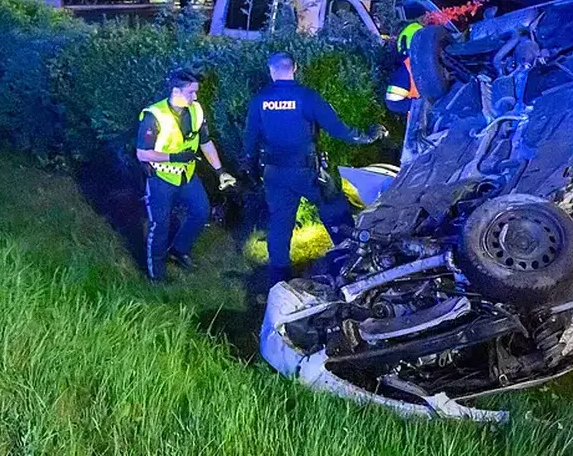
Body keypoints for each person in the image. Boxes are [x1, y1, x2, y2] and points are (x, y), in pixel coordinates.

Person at [243, 52, 388, 287]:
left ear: (271, 71)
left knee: (279, 224)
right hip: (307, 173)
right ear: (295, 68)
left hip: (274, 173)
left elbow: (249, 138)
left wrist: (249, 166)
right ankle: (353, 263)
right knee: (335, 210)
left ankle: (278, 281)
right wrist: (367, 136)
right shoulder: (307, 97)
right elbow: (338, 128)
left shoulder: (260, 100)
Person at [135, 68, 236, 283]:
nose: (195, 97)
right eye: (191, 92)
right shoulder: (154, 116)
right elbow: (142, 153)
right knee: (159, 226)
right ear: (176, 91)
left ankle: (179, 250)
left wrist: (220, 171)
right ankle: (156, 276)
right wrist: (173, 157)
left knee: (201, 212)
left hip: (187, 174)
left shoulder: (196, 111)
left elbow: (205, 142)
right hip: (161, 178)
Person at [385, 23, 422, 115]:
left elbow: (393, 103)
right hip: (433, 118)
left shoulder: (406, 69)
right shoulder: (405, 70)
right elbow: (393, 103)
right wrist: (422, 105)